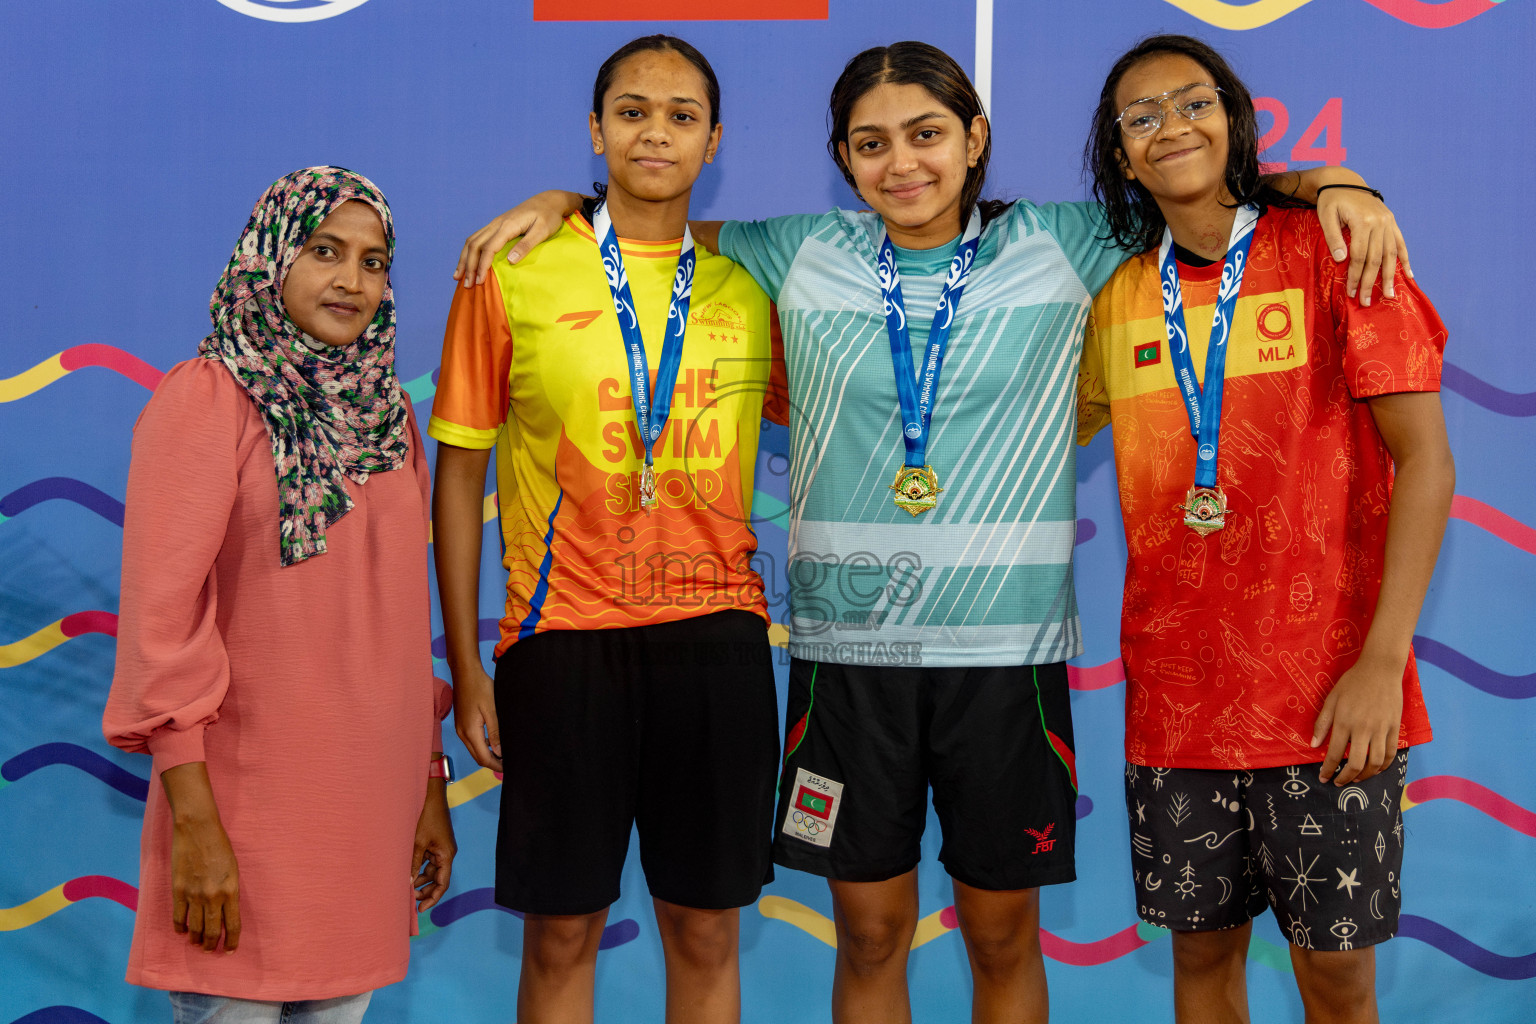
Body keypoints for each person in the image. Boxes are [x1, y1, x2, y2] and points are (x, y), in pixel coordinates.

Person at [456, 41, 1408, 1024]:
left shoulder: (1064, 241)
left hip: (1008, 662)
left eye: (926, 135)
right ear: (843, 157)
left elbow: (1203, 186)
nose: (901, 164)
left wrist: (1340, 184)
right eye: (872, 144)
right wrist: (558, 203)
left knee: (1002, 939)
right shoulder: (797, 252)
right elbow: (647, 218)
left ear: (974, 138)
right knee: (870, 935)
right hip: (846, 665)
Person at [1077, 35, 1454, 1024]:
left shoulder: (1337, 248)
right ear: (1121, 156)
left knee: (1334, 978)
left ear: (1234, 120)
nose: (1170, 128)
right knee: (1201, 965)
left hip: (1330, 699)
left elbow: (1428, 462)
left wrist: (1383, 661)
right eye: (1140, 118)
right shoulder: (1116, 299)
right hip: (1175, 705)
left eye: (1191, 103)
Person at [428, 35, 785, 1024]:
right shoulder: (509, 269)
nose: (655, 133)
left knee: (707, 932)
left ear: (715, 139)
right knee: (560, 934)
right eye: (632, 111)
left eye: (681, 115)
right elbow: (458, 480)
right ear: (595, 130)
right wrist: (469, 666)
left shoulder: (752, 281)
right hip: (561, 644)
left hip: (717, 640)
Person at [103, 167, 456, 1024]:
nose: (352, 280)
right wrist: (194, 824)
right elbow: (163, 621)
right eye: (325, 251)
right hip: (241, 808)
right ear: (270, 257)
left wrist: (429, 783)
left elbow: (404, 625)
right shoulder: (207, 400)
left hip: (366, 808)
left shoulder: (386, 418)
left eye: (375, 263)